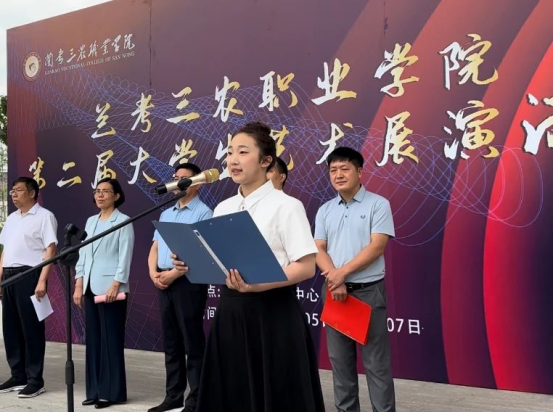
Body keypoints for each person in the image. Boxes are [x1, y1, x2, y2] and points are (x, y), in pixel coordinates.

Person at [172, 122, 325, 412]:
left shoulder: (286, 206)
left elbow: (306, 267)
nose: (233, 160)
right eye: (230, 152)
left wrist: (258, 284)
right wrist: (192, 261)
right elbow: (219, 262)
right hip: (230, 314)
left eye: (243, 152)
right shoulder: (224, 208)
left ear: (266, 161)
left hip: (273, 315)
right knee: (232, 392)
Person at [314, 147, 396, 412]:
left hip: (367, 292)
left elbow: (377, 247)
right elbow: (318, 248)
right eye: (333, 170)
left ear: (359, 172)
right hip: (335, 293)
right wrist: (335, 280)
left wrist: (341, 274)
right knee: (341, 365)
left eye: (344, 169)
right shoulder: (325, 210)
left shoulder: (378, 204)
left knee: (376, 365)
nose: (338, 175)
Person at [147, 163, 213, 413]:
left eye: (184, 178)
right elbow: (155, 247)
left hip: (188, 282)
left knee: (192, 341)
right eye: (175, 178)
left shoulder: (204, 213)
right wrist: (153, 273)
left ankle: (196, 399)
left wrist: (172, 275)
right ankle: (173, 395)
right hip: (163, 280)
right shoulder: (166, 213)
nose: (178, 182)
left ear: (197, 184)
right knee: (171, 341)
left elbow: (200, 253)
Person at [73, 178, 134, 410]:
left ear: (116, 196)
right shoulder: (91, 221)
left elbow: (125, 256)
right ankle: (95, 391)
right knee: (93, 341)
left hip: (111, 290)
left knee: (111, 341)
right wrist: (78, 284)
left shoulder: (123, 221)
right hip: (90, 287)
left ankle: (112, 393)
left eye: (105, 191)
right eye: (97, 191)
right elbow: (83, 255)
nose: (100, 195)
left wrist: (116, 283)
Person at [0, 177, 58, 398]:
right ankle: (18, 375)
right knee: (11, 328)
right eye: (12, 191)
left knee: (31, 329)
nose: (14, 194)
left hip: (30, 275)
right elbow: (5, 250)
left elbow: (50, 250)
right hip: (9, 276)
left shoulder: (44, 216)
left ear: (32, 193)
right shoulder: (12, 218)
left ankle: (35, 379)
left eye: (18, 190)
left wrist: (42, 280)